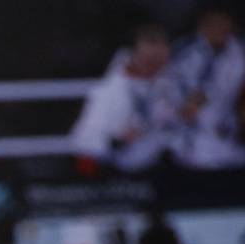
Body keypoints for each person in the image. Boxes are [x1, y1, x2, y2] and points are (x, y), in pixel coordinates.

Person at [69, 24, 180, 171]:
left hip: (166, 166)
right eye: (150, 58)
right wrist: (116, 140)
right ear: (134, 53)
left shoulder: (171, 81)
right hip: (119, 170)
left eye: (161, 57)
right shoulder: (111, 89)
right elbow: (85, 143)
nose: (155, 63)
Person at [168, 7, 245, 168]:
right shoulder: (182, 51)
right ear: (201, 26)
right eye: (213, 24)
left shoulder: (239, 53)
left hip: (228, 133)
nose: (220, 28)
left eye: (224, 23)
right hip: (186, 135)